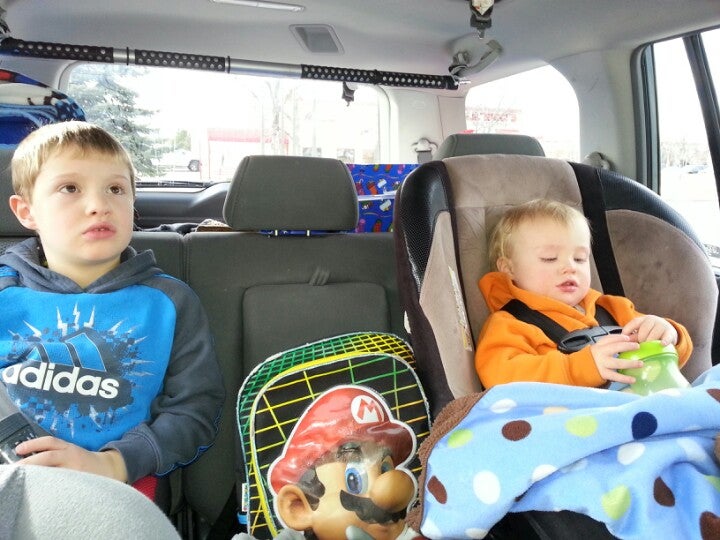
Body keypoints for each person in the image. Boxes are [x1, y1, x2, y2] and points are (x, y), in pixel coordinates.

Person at [0, 121, 224, 496]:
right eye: (70, 188)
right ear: (26, 211)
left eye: (116, 189)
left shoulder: (168, 302)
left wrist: (112, 463)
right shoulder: (5, 292)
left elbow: (194, 411)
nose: (99, 206)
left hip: (119, 484)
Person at [475, 198, 693, 390]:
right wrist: (579, 368)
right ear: (509, 268)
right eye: (550, 258)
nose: (570, 267)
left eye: (579, 259)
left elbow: (668, 359)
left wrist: (669, 334)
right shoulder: (509, 324)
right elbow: (501, 377)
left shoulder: (613, 309)